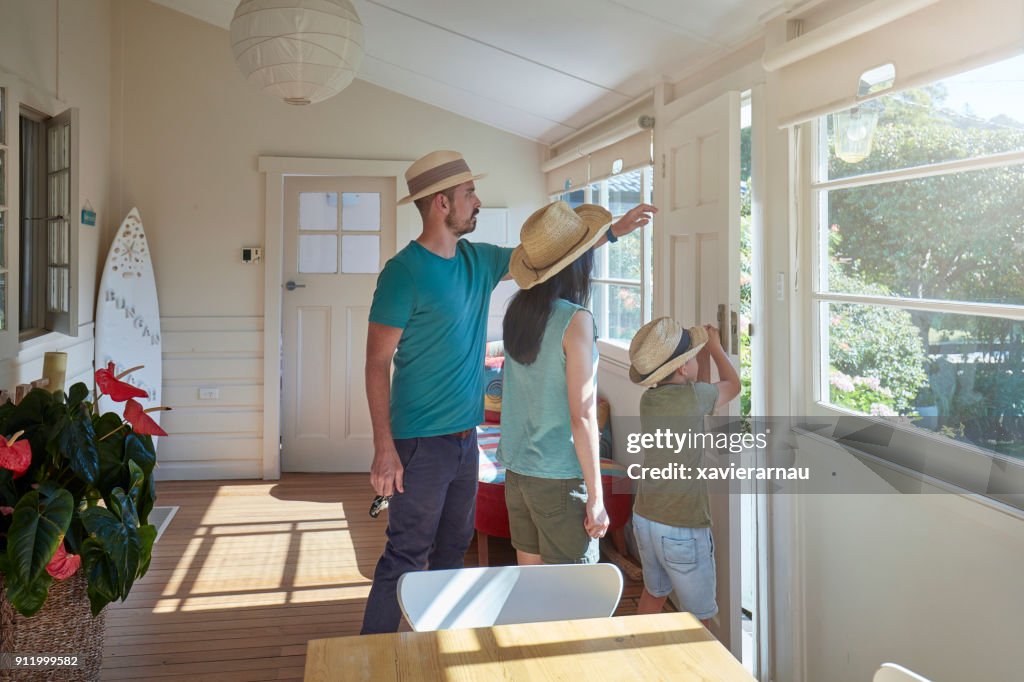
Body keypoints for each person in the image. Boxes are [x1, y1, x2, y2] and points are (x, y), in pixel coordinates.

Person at [361, 150, 654, 634]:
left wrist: (614, 230)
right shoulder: (403, 272)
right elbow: (376, 362)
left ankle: (438, 651)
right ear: (441, 204)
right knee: (406, 555)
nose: (477, 202)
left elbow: (548, 255)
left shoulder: (479, 260)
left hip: (464, 443)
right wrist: (383, 447)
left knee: (453, 552)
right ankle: (367, 659)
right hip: (417, 444)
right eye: (469, 194)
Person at [498, 199, 656, 566]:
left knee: (535, 591)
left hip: (518, 474)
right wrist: (597, 497)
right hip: (559, 479)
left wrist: (614, 232)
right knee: (574, 604)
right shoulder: (575, 321)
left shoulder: (518, 312)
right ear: (579, 263)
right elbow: (583, 415)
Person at [626, 317, 740, 627]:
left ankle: (637, 656)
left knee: (654, 593)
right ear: (681, 368)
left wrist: (699, 355)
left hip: (646, 517)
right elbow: (733, 385)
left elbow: (697, 389)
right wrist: (715, 349)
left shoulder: (650, 400)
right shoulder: (694, 398)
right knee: (699, 617)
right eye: (690, 358)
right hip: (682, 527)